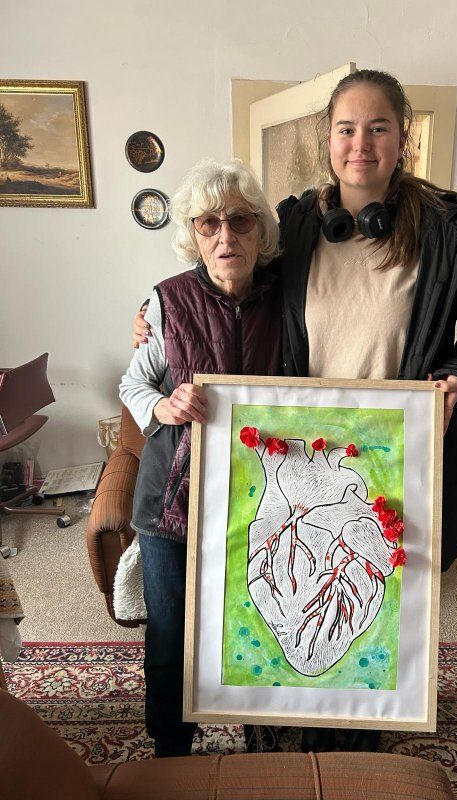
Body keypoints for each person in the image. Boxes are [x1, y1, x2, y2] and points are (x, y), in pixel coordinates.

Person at [134, 69, 457, 752]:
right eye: (346, 128)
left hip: (386, 459)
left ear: (403, 138)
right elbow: (227, 278)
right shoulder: (296, 226)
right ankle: (277, 735)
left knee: (366, 607)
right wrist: (155, 314)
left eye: (378, 128)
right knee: (293, 589)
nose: (360, 144)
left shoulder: (445, 234)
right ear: (328, 139)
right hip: (300, 459)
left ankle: (358, 752)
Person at [120, 158, 282, 757]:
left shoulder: (289, 296)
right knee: (171, 635)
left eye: (240, 220)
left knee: (256, 621)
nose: (225, 236)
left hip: (259, 501)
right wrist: (165, 405)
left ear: (260, 230)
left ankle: (261, 732)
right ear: (193, 233)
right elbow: (133, 384)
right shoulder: (166, 302)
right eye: (208, 223)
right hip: (174, 500)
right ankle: (171, 748)